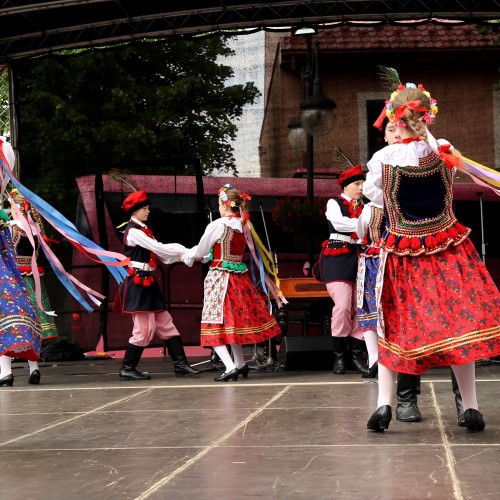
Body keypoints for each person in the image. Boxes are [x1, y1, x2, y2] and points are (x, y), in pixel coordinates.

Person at [364, 81, 500, 433]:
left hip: (404, 254)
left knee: (393, 325)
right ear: (428, 115)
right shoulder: (441, 150)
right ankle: (469, 406)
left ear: (396, 118)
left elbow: (373, 198)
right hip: (449, 250)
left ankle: (385, 404)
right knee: (458, 323)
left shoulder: (382, 159)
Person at [181, 184, 282, 382]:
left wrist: (187, 255)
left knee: (214, 322)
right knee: (231, 323)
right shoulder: (244, 224)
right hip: (238, 278)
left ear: (225, 205)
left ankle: (229, 367)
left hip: (220, 278)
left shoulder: (218, 224)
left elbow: (202, 251)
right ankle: (240, 363)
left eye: (219, 203)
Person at [113, 190, 200, 380]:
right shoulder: (134, 232)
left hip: (147, 283)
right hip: (138, 284)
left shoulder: (143, 230)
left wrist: (187, 255)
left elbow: (161, 254)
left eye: (147, 208)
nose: (148, 211)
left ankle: (181, 365)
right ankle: (127, 367)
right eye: (144, 208)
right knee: (144, 330)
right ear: (135, 211)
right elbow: (159, 248)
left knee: (166, 325)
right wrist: (186, 251)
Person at [313, 164, 368, 375]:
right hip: (338, 257)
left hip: (360, 256)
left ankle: (355, 355)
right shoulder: (334, 203)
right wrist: (364, 223)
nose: (361, 188)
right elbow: (339, 223)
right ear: (345, 186)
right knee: (343, 305)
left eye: (362, 184)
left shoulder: (365, 206)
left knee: (360, 307)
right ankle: (339, 355)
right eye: (356, 184)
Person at [0, 140, 43, 387]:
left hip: (13, 274)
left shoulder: (14, 223)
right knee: (17, 314)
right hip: (17, 276)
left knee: (7, 317)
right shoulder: (14, 223)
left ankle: (7, 373)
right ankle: (27, 368)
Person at [7, 189, 59, 385]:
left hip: (14, 280)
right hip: (34, 280)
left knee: (9, 326)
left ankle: (5, 373)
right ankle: (34, 369)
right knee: (33, 327)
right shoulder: (35, 228)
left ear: (15, 206)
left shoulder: (11, 227)